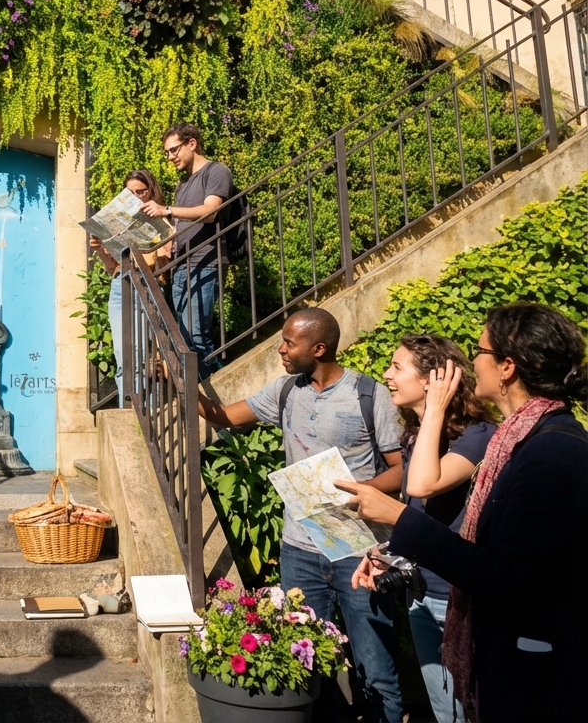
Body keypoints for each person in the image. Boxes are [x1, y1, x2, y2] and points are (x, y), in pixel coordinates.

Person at [339, 303, 588, 723]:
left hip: (534, 672)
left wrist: (399, 519)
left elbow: (502, 575)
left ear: (507, 367)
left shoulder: (551, 452)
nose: (472, 362)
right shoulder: (523, 442)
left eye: (480, 350)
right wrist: (392, 548)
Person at [197, 308, 405, 723]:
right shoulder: (286, 390)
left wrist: (362, 492)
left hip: (358, 551)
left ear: (319, 348)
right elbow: (224, 416)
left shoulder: (368, 394)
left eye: (290, 343)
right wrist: (179, 382)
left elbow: (401, 468)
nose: (281, 350)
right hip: (300, 550)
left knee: (375, 667)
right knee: (309, 665)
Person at [381, 336, 496, 723]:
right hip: (421, 593)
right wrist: (386, 555)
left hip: (455, 599)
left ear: (433, 379)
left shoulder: (478, 436)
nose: (387, 376)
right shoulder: (416, 437)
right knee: (447, 714)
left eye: (397, 368)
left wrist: (435, 409)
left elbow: (422, 485)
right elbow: (419, 515)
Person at [139, 123, 232, 377]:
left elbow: (211, 212)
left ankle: (218, 389)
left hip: (204, 262)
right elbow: (179, 226)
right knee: (186, 338)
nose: (170, 157)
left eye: (174, 150)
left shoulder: (216, 171)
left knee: (196, 336)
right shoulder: (183, 185)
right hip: (181, 265)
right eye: (167, 153)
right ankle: (201, 397)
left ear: (192, 143)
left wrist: (166, 209)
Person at [89, 170, 170, 399]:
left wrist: (161, 245)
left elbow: (164, 264)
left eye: (140, 192)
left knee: (144, 353)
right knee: (122, 352)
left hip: (146, 284)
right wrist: (100, 249)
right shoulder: (119, 221)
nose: (136, 197)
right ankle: (130, 409)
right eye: (130, 193)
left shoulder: (159, 219)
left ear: (150, 191)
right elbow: (112, 267)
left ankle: (151, 409)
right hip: (119, 286)